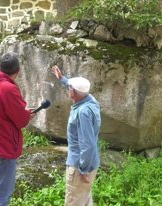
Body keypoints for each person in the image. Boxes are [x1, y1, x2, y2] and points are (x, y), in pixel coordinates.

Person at [0, 52, 36, 206]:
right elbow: (21, 121)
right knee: (2, 194)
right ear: (18, 70)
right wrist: (27, 115)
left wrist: (24, 113)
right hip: (4, 146)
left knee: (1, 188)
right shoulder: (8, 89)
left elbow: (1, 112)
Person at [52, 65, 101, 206]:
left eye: (70, 88)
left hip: (80, 166)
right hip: (92, 162)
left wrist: (83, 169)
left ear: (73, 92)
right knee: (84, 200)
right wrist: (62, 79)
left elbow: (88, 143)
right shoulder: (91, 100)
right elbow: (78, 89)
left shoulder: (83, 113)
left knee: (74, 201)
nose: (69, 90)